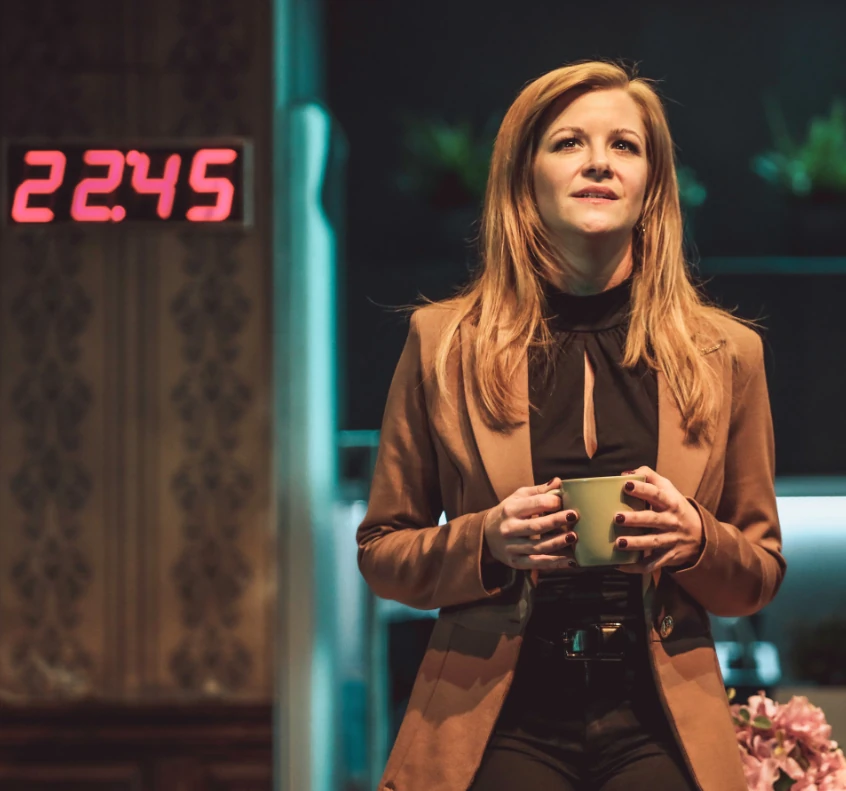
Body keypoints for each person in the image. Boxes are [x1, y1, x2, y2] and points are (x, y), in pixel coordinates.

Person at [356, 60, 785, 791]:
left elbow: (758, 575)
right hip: (497, 711)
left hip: (659, 715)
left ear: (652, 185)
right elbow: (383, 551)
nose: (599, 162)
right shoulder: (444, 343)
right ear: (524, 180)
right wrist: (488, 542)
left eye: (624, 145)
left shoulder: (727, 353)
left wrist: (696, 540)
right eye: (568, 143)